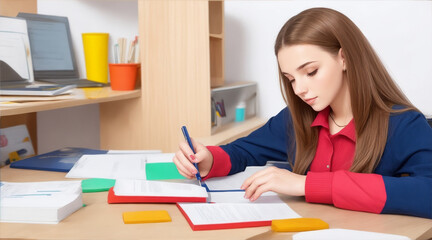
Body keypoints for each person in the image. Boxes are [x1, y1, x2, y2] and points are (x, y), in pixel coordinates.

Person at [173, 7, 432, 219]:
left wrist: (306, 185)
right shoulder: (297, 118)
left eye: (310, 72)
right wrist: (208, 159)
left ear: (345, 59)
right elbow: (244, 151)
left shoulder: (403, 124)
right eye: (290, 79)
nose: (300, 89)